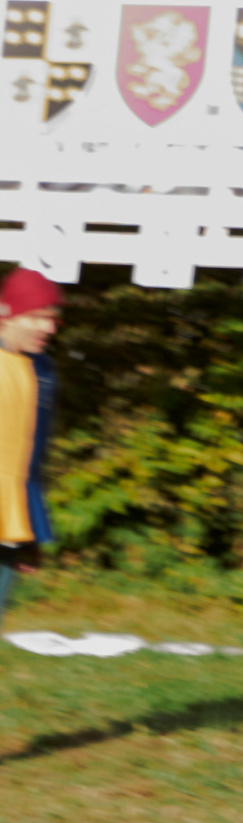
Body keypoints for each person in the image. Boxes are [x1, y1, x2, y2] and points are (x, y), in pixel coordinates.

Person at [0, 266, 64, 627]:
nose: (49, 328)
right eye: (38, 317)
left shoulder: (44, 370)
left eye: (53, 319)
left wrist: (30, 531)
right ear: (7, 314)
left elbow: (31, 457)